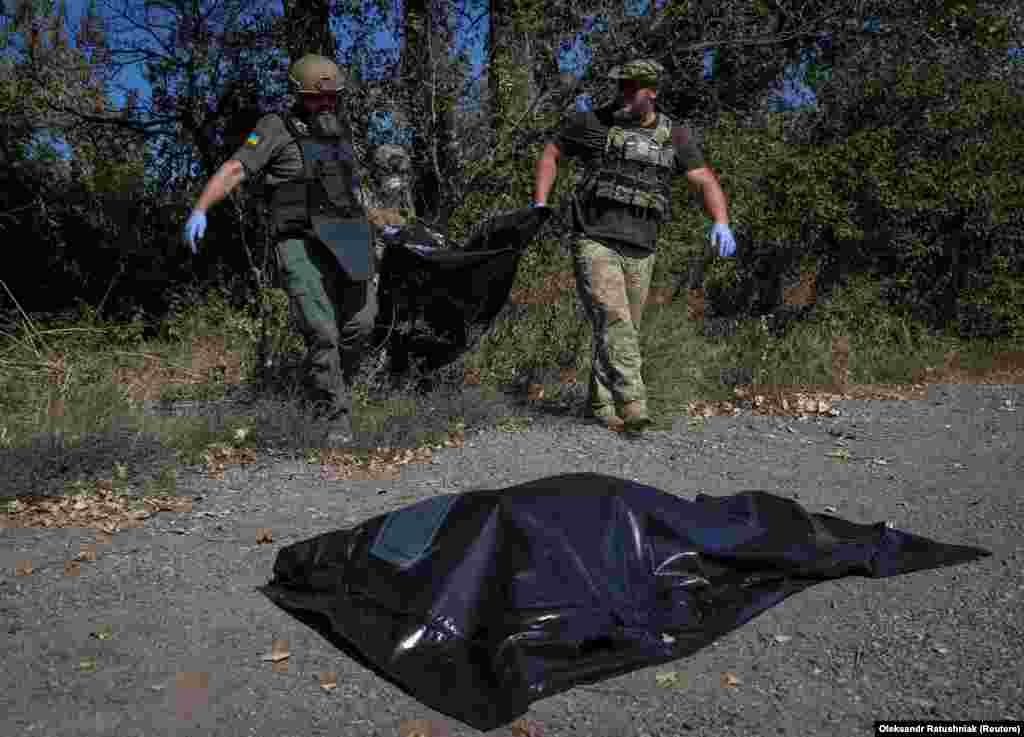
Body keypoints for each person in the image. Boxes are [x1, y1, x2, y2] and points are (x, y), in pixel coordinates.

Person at [182, 53, 378, 445]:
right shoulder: (275, 127)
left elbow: (351, 190)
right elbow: (236, 168)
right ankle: (334, 418)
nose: (325, 104)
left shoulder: (340, 129)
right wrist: (201, 208)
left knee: (361, 325)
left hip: (347, 238)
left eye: (332, 98)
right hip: (299, 242)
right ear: (298, 94)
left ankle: (321, 386)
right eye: (317, 98)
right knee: (322, 330)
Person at [532, 59, 736, 433]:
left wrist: (720, 221)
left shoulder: (674, 135)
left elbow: (703, 179)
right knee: (614, 319)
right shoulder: (591, 123)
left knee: (620, 330)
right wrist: (540, 203)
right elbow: (551, 153)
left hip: (642, 246)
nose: (624, 93)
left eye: (632, 87)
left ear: (652, 92)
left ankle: (600, 404)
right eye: (621, 86)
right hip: (593, 238)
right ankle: (634, 405)